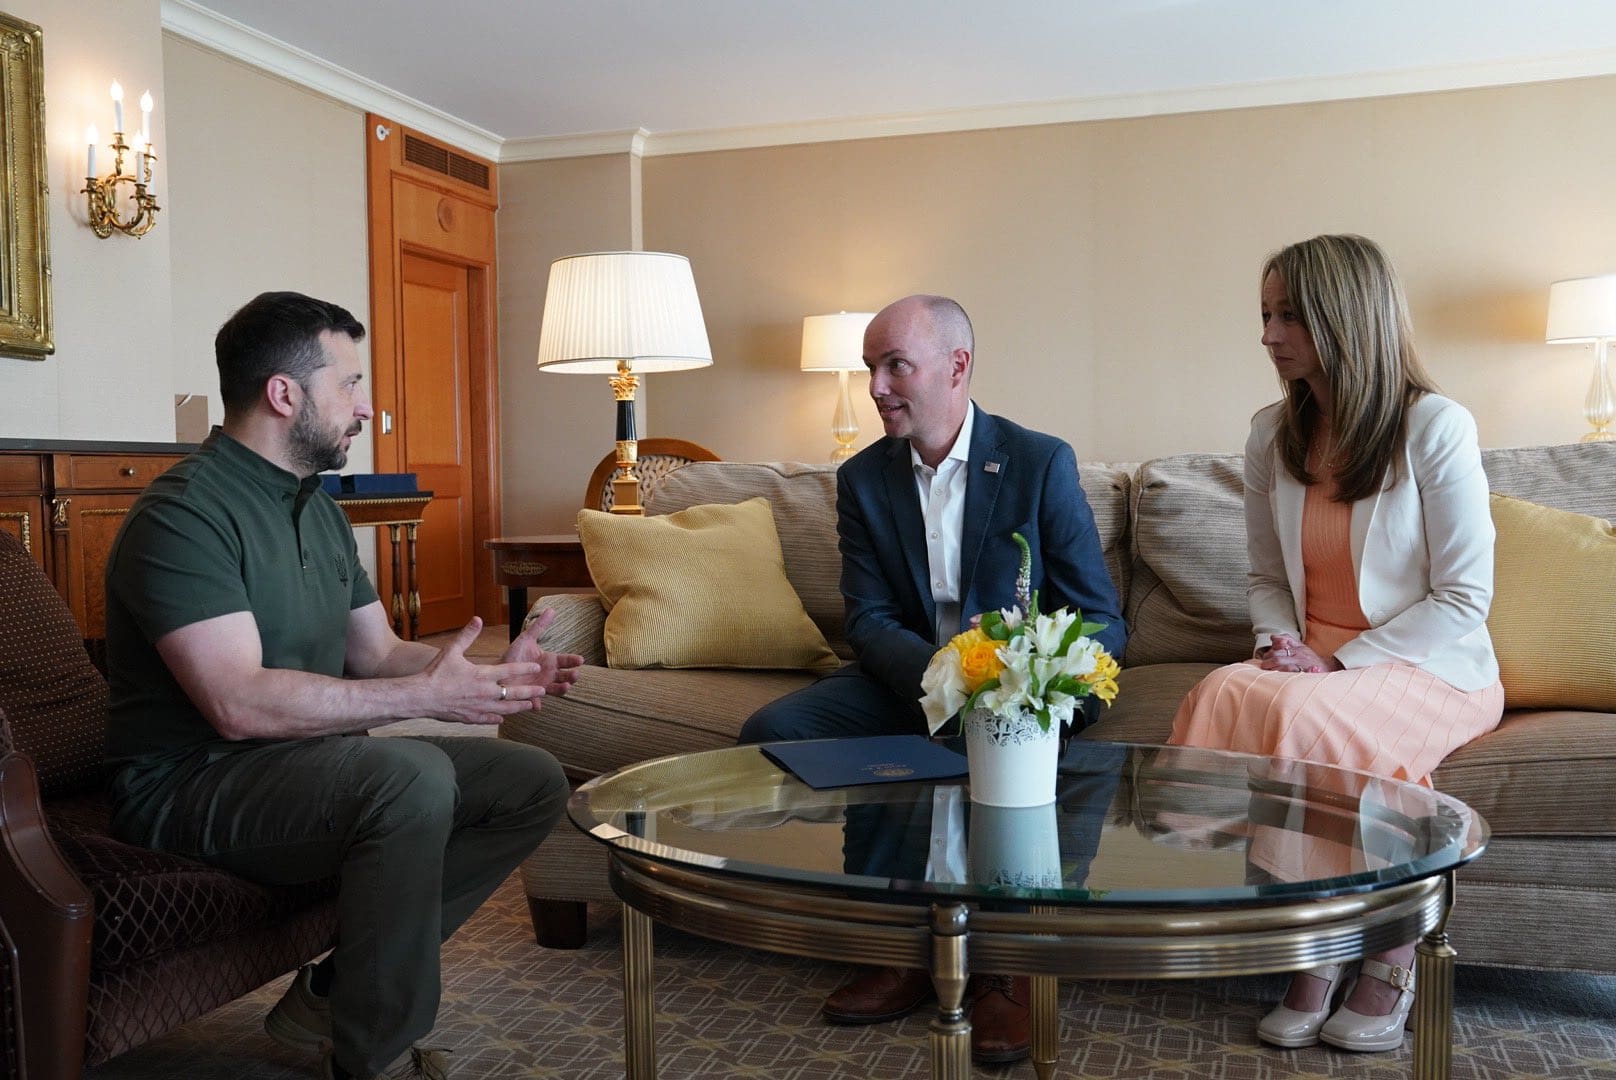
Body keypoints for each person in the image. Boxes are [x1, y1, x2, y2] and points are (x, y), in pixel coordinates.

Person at [103, 292, 582, 1080]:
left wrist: (483, 679)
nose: (367, 407)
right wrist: (426, 699)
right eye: (351, 384)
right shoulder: (184, 514)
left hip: (296, 765)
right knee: (410, 777)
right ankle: (376, 1055)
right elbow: (237, 702)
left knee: (527, 779)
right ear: (285, 394)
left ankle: (330, 994)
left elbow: (378, 653)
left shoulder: (317, 508)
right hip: (187, 784)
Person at [739, 294, 1126, 1065]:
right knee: (777, 733)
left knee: (997, 754)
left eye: (894, 366)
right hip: (912, 679)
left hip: (1018, 691)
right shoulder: (862, 479)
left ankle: (1005, 965)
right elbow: (869, 621)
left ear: (957, 366)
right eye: (870, 368)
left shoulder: (1037, 461)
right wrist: (950, 685)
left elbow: (1099, 617)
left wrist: (1024, 692)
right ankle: (898, 946)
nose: (877, 386)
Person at [1168, 235, 1503, 1053]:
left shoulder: (1435, 425)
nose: (1268, 334)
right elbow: (1265, 579)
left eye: (1288, 315)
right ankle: (1324, 943)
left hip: (1429, 664)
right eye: (1265, 314)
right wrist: (1285, 645)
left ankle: (1376, 954)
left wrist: (1338, 663)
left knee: (1309, 722)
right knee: (1221, 690)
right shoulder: (1268, 435)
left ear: (1344, 318)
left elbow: (1464, 597)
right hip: (1311, 658)